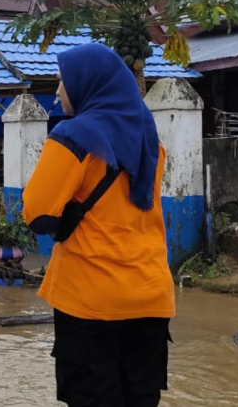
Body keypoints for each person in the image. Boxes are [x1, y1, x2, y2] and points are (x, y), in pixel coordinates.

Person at [22, 44, 174, 407]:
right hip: (151, 297)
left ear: (87, 85)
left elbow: (37, 215)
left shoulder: (73, 136)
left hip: (91, 301)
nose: (58, 91)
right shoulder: (149, 141)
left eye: (62, 81)